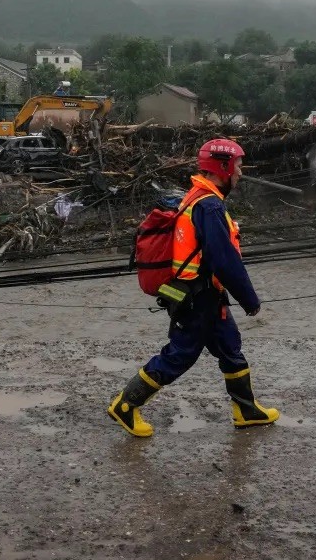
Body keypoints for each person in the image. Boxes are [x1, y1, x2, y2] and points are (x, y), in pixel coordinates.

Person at [107, 138, 280, 437]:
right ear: (222, 167)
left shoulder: (199, 197)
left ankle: (246, 409)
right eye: (237, 167)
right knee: (181, 354)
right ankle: (125, 405)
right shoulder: (209, 206)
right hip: (197, 298)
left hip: (206, 295)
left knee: (229, 346)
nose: (240, 173)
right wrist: (249, 299)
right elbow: (223, 259)